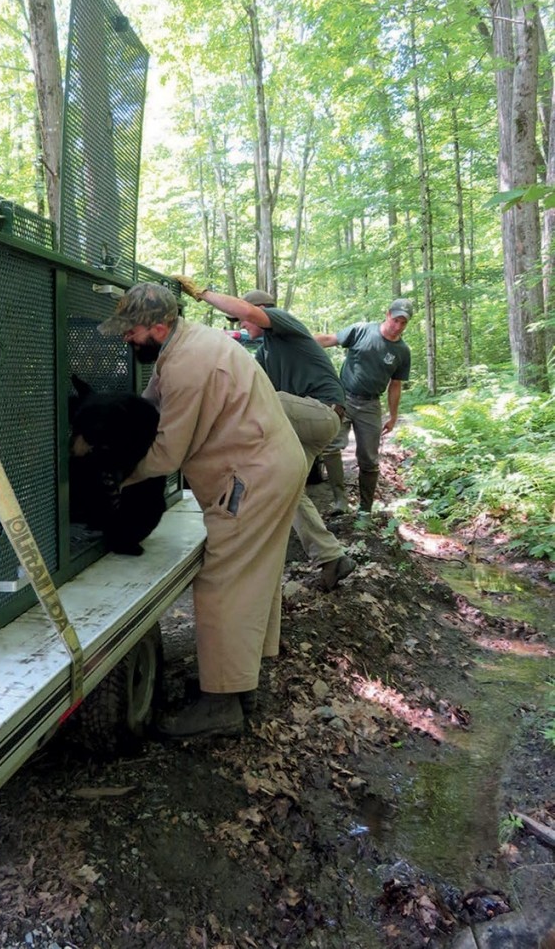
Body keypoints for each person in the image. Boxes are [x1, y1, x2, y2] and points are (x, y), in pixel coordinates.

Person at [98, 282, 308, 739]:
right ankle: (240, 682)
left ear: (159, 326)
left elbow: (169, 452)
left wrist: (117, 476)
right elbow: (153, 402)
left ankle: (221, 705)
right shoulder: (185, 343)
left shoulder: (191, 362)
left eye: (130, 332)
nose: (125, 340)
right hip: (270, 463)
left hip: (253, 476)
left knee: (224, 581)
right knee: (254, 578)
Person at [174, 279, 356, 592]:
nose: (242, 323)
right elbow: (240, 369)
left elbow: (246, 314)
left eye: (245, 318)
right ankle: (332, 557)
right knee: (289, 490)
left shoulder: (284, 323)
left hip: (321, 411)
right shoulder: (266, 355)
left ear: (261, 311)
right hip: (305, 425)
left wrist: (202, 294)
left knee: (248, 403)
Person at [314, 299, 413, 515]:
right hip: (343, 399)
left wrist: (393, 415)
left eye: (403, 323)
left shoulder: (402, 351)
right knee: (331, 447)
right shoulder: (361, 331)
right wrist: (301, 341)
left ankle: (365, 509)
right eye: (395, 320)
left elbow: (395, 385)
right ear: (387, 315)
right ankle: (340, 501)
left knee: (369, 458)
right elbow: (331, 339)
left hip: (370, 405)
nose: (397, 326)